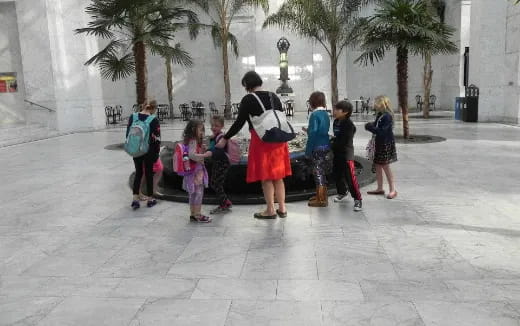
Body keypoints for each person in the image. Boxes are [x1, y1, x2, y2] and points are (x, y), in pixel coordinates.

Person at [216, 71, 292, 219]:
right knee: (278, 176)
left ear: (247, 85)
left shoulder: (248, 99)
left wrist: (225, 138)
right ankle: (282, 208)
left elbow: (239, 123)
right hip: (278, 139)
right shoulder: (273, 96)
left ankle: (270, 210)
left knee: (266, 177)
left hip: (262, 140)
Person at [127, 100, 160, 209]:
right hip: (148, 150)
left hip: (136, 149)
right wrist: (156, 154)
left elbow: (128, 133)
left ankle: (135, 199)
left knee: (139, 173)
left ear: (143, 106)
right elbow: (157, 139)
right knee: (149, 173)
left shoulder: (133, 116)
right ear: (153, 109)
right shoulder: (153, 119)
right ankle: (150, 199)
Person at [331, 100, 363, 211]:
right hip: (337, 154)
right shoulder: (336, 122)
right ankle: (342, 192)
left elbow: (344, 141)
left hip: (346, 155)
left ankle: (358, 199)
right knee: (337, 175)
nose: (334, 111)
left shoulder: (349, 125)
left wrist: (331, 144)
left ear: (345, 112)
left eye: (337, 109)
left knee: (350, 178)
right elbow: (337, 137)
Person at [365, 95, 398, 199]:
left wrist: (370, 127)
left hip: (385, 143)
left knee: (385, 166)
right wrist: (371, 126)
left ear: (382, 103)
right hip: (378, 142)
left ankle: (393, 190)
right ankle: (380, 188)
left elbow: (382, 132)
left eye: (376, 102)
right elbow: (376, 126)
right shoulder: (380, 114)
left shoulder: (387, 116)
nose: (374, 104)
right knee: (378, 165)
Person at [303, 91, 331, 207]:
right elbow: (322, 130)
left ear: (312, 102)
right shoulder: (325, 113)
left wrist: (308, 151)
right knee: (322, 171)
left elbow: (313, 133)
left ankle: (321, 200)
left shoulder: (314, 115)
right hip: (325, 144)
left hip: (317, 146)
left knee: (317, 172)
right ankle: (322, 195)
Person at [182, 119, 213, 222]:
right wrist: (205, 155)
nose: (202, 132)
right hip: (196, 172)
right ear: (193, 130)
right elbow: (192, 155)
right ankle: (198, 214)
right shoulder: (193, 141)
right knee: (198, 193)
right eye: (200, 130)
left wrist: (202, 150)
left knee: (193, 193)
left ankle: (193, 214)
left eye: (203, 130)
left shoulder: (191, 141)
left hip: (191, 172)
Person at [208, 115, 233, 214]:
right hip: (217, 162)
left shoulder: (221, 137)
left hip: (222, 163)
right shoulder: (216, 137)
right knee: (214, 183)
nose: (214, 127)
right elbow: (212, 148)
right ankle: (225, 201)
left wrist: (207, 153)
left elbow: (217, 150)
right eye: (212, 125)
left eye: (216, 126)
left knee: (217, 184)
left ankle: (223, 204)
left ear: (222, 126)